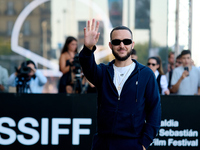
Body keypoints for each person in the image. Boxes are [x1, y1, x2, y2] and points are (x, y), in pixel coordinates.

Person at [79, 19, 161, 150]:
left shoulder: (146, 74)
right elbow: (87, 67)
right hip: (103, 144)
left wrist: (145, 143)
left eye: (126, 41)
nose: (122, 45)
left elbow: (154, 110)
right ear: (110, 45)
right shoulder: (103, 72)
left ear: (132, 44)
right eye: (117, 42)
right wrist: (88, 48)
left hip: (133, 144)